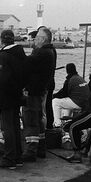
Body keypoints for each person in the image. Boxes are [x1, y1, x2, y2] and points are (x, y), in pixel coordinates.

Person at [0, 29, 27, 169]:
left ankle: (9, 158)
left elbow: (3, 80)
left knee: (7, 127)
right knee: (15, 125)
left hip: (6, 97)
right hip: (18, 96)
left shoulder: (3, 56)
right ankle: (18, 157)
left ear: (2, 40)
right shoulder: (20, 53)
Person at [21, 27, 56, 161]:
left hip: (33, 91)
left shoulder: (42, 53)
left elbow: (26, 63)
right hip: (40, 90)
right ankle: (41, 148)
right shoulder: (50, 52)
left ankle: (31, 151)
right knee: (39, 120)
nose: (34, 40)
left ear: (42, 39)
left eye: (36, 38)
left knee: (31, 120)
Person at [50, 63, 89, 127]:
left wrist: (53, 96)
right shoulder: (80, 78)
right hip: (85, 103)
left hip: (78, 103)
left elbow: (63, 93)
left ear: (67, 71)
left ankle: (57, 124)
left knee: (55, 102)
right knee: (67, 101)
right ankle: (67, 122)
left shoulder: (70, 80)